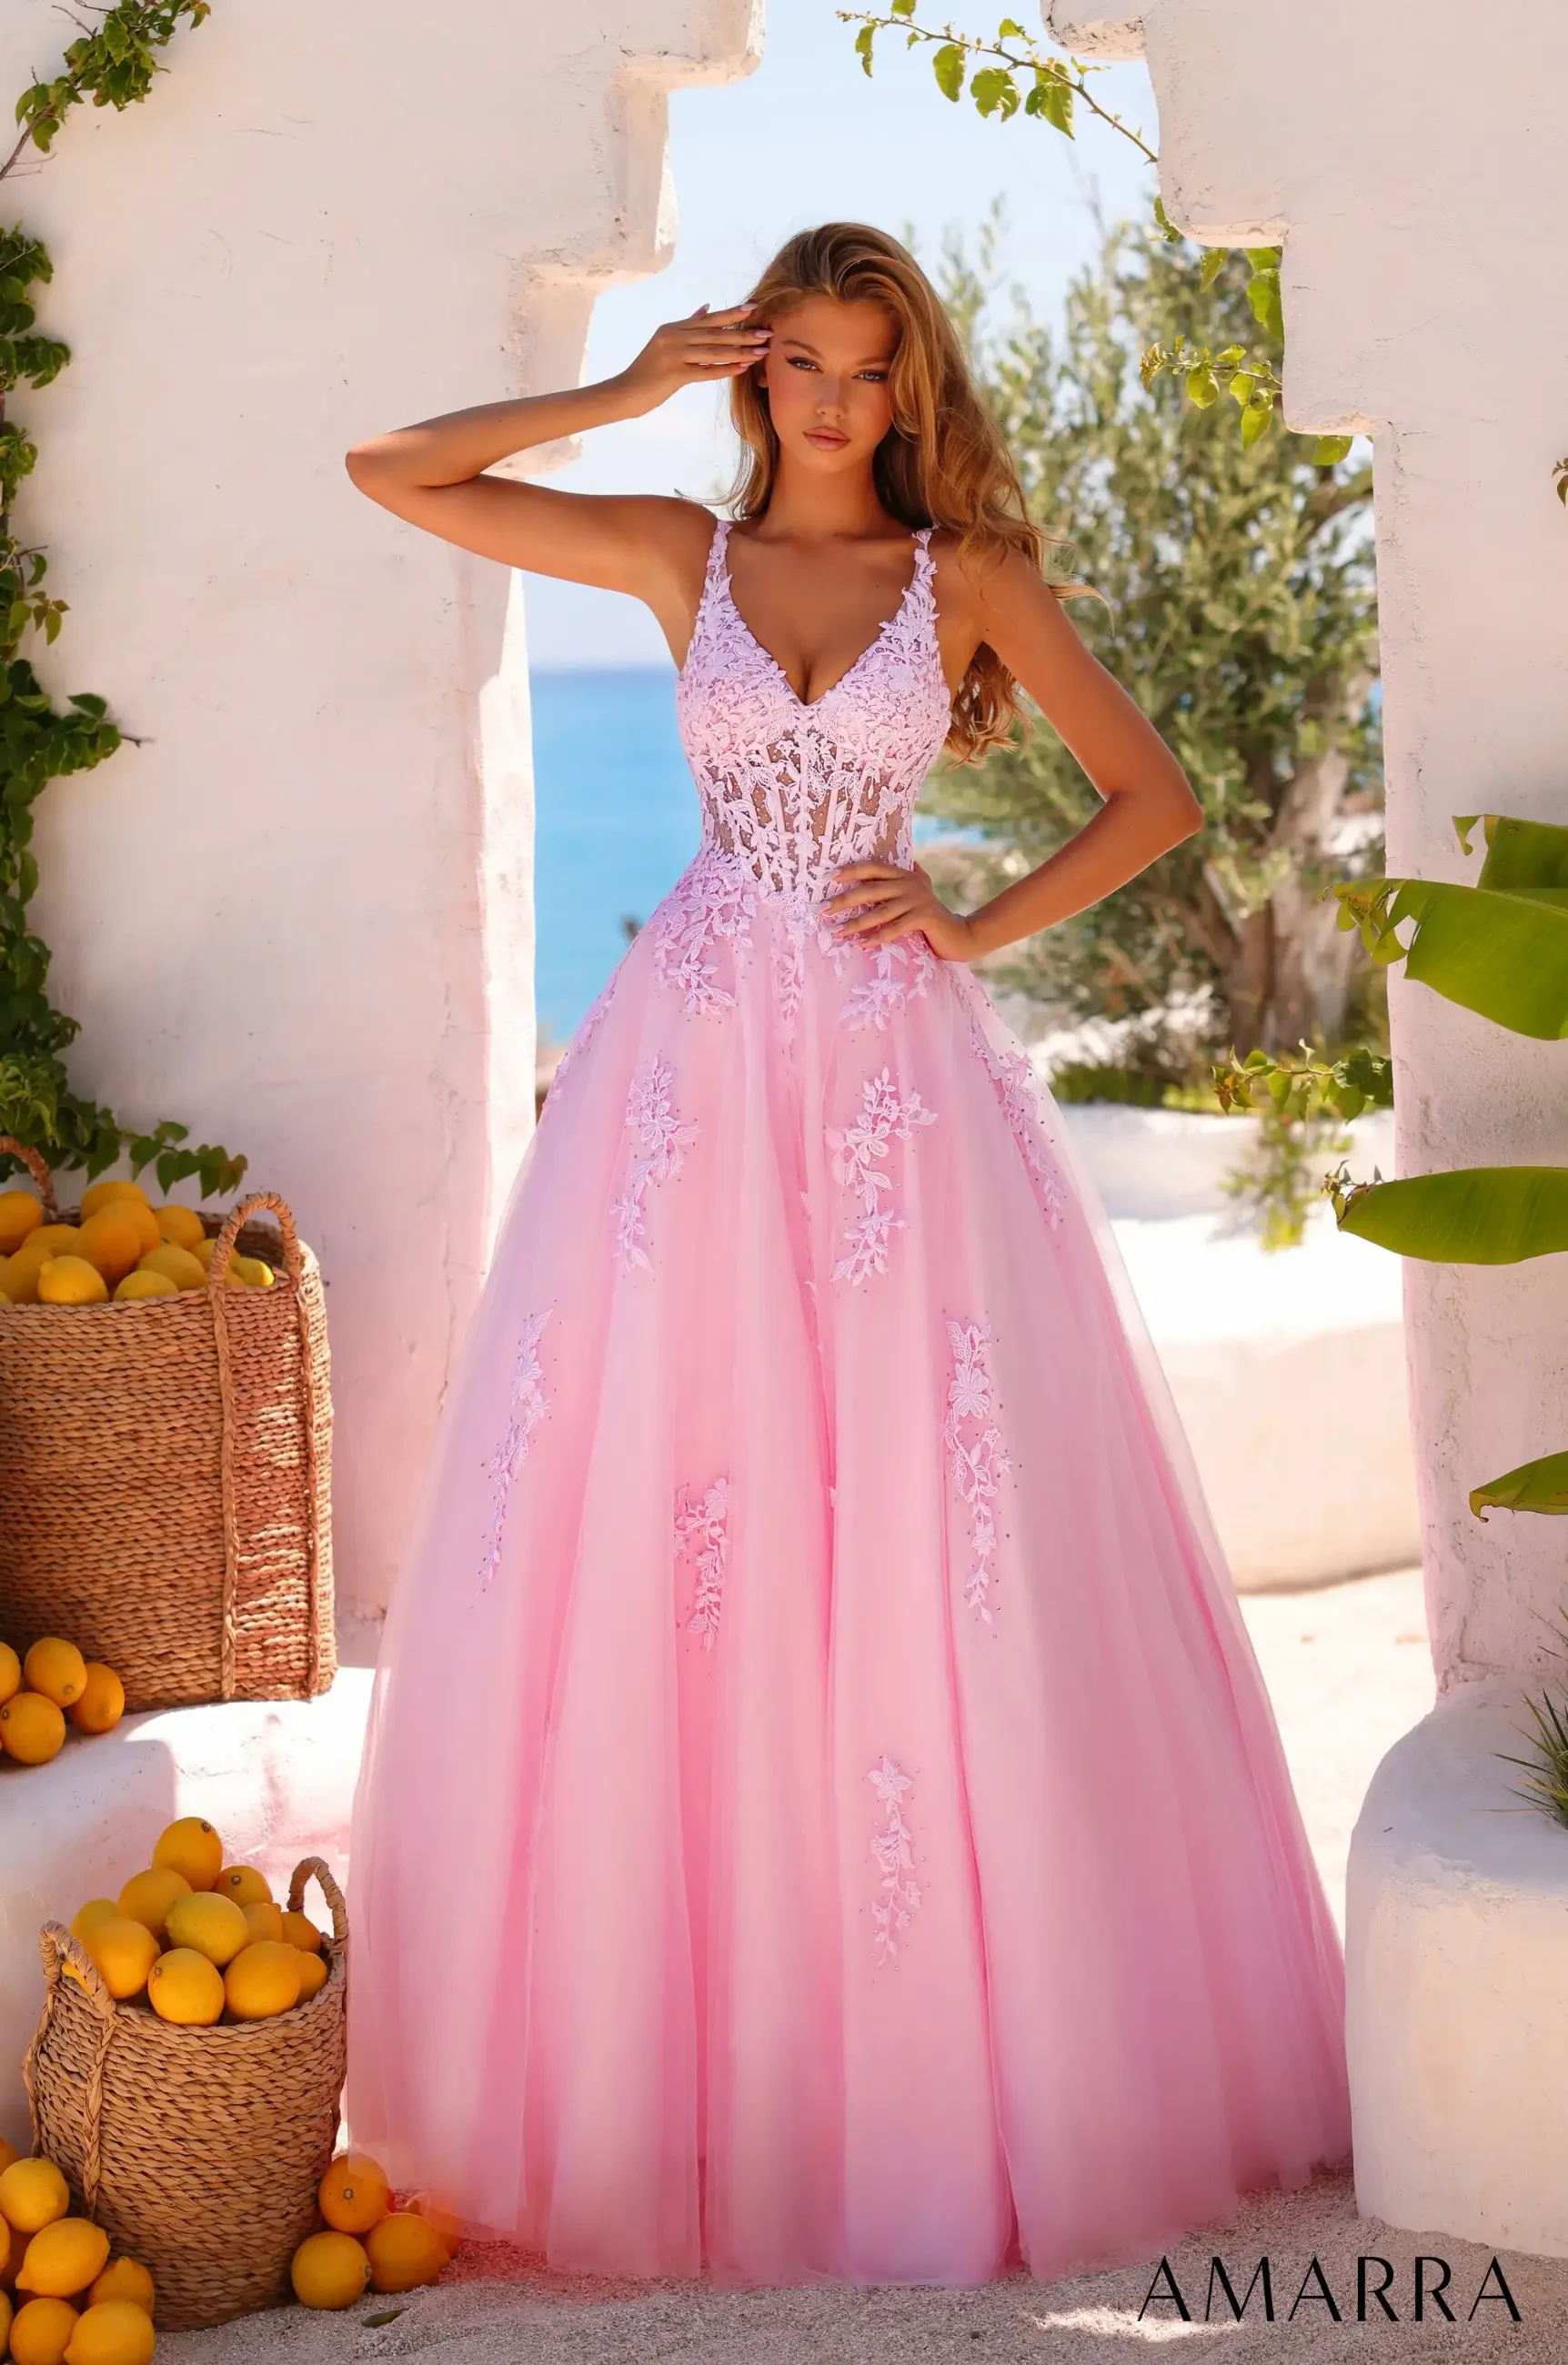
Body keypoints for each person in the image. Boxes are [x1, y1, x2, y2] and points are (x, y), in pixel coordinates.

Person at [344, 221, 1350, 2289]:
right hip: (691, 1088)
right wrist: (624, 386)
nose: (823, 398)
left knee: (921, 1530)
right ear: (754, 370)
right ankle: (716, 2071)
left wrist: (980, 927)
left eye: (861, 368)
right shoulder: (670, 552)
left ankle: (946, 2075)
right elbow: (396, 473)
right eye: (792, 361)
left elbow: (1148, 793)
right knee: (679, 1527)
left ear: (908, 389)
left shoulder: (957, 578)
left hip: (895, 1093)